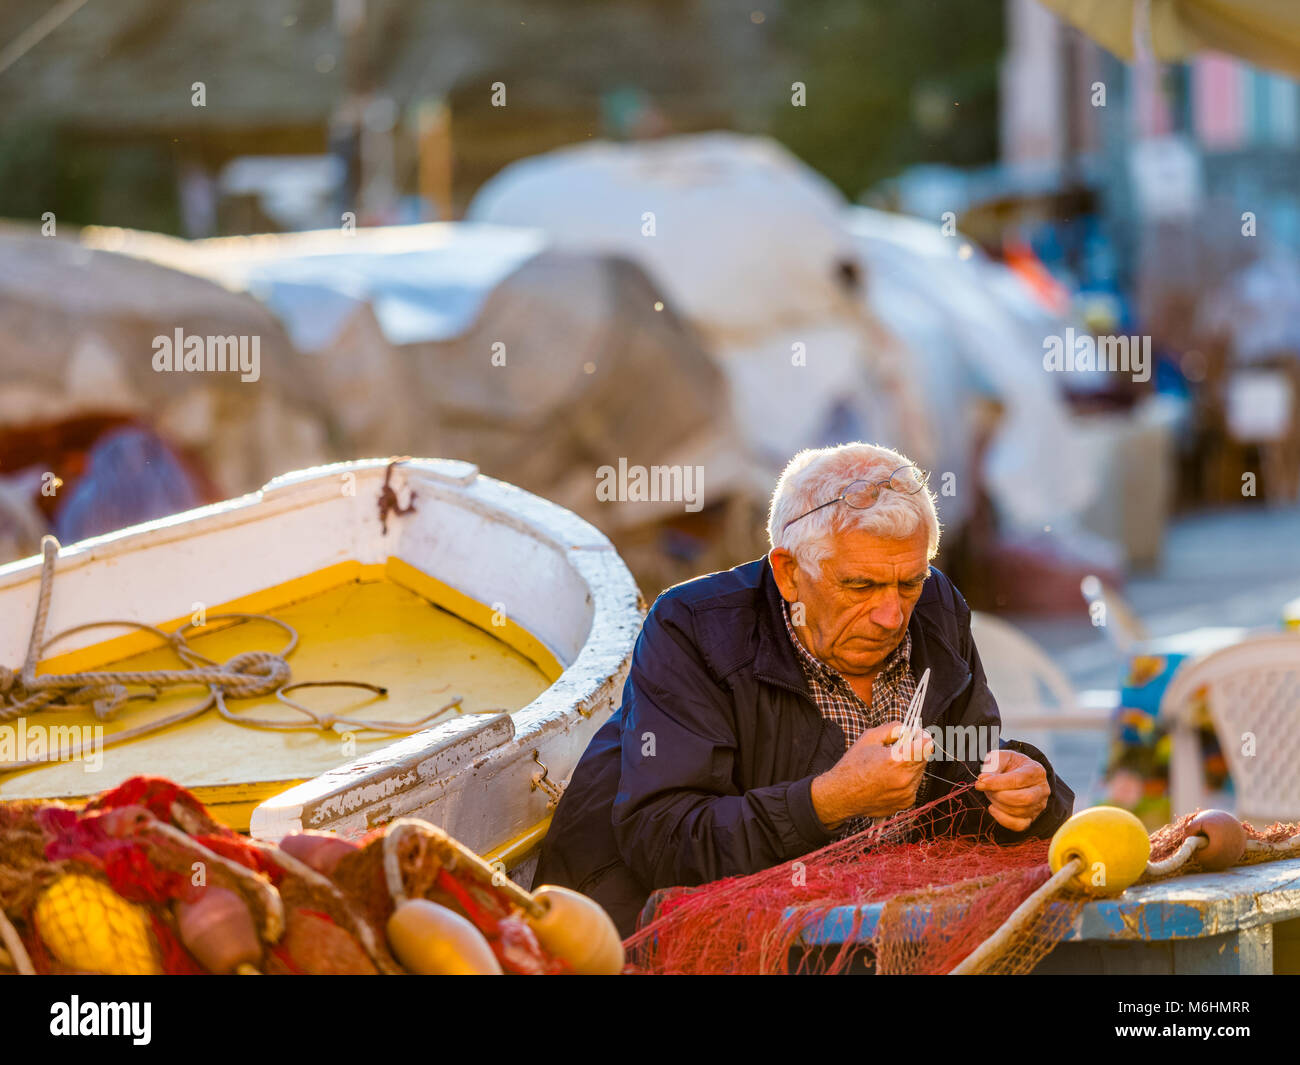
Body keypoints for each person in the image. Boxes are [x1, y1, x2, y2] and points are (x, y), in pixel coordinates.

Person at [535, 442, 1075, 935]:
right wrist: (828, 800)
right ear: (789, 573)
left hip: (851, 921)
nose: (891, 615)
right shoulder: (693, 627)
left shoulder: (937, 605)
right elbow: (665, 841)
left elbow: (964, 774)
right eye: (860, 585)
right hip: (665, 932)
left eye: (908, 582)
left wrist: (1026, 791)